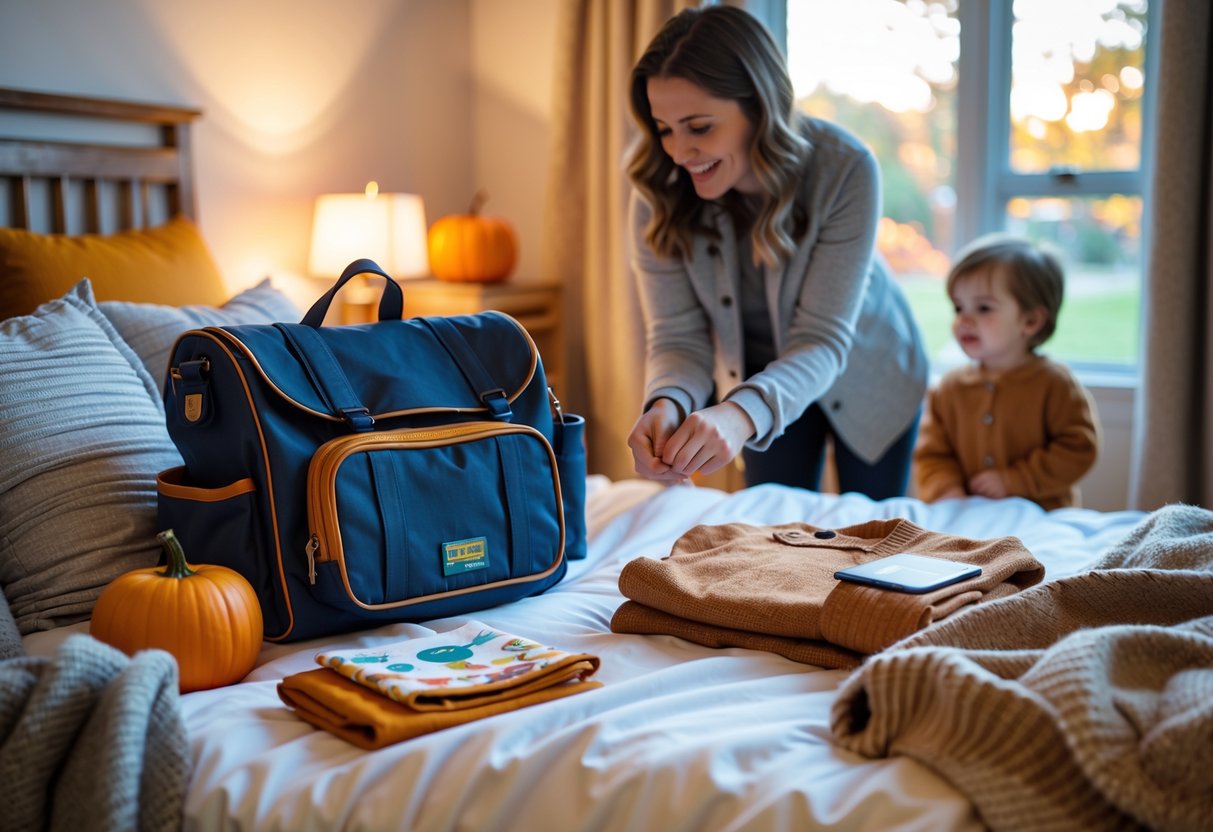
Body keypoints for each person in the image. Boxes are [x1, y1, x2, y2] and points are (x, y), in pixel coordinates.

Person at [624, 5, 928, 499]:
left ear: (759, 109)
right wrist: (668, 401)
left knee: (873, 538)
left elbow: (823, 340)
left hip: (872, 370)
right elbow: (677, 335)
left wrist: (739, 413)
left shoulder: (846, 169)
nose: (678, 152)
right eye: (664, 128)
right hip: (759, 378)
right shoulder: (657, 191)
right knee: (774, 537)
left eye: (699, 127)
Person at [914, 233, 1100, 510]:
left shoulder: (1055, 384)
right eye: (958, 307)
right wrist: (948, 491)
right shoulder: (949, 389)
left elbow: (1078, 449)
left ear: (1031, 321)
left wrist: (1015, 480)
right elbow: (932, 455)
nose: (963, 319)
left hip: (1044, 519)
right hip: (971, 519)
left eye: (983, 307)